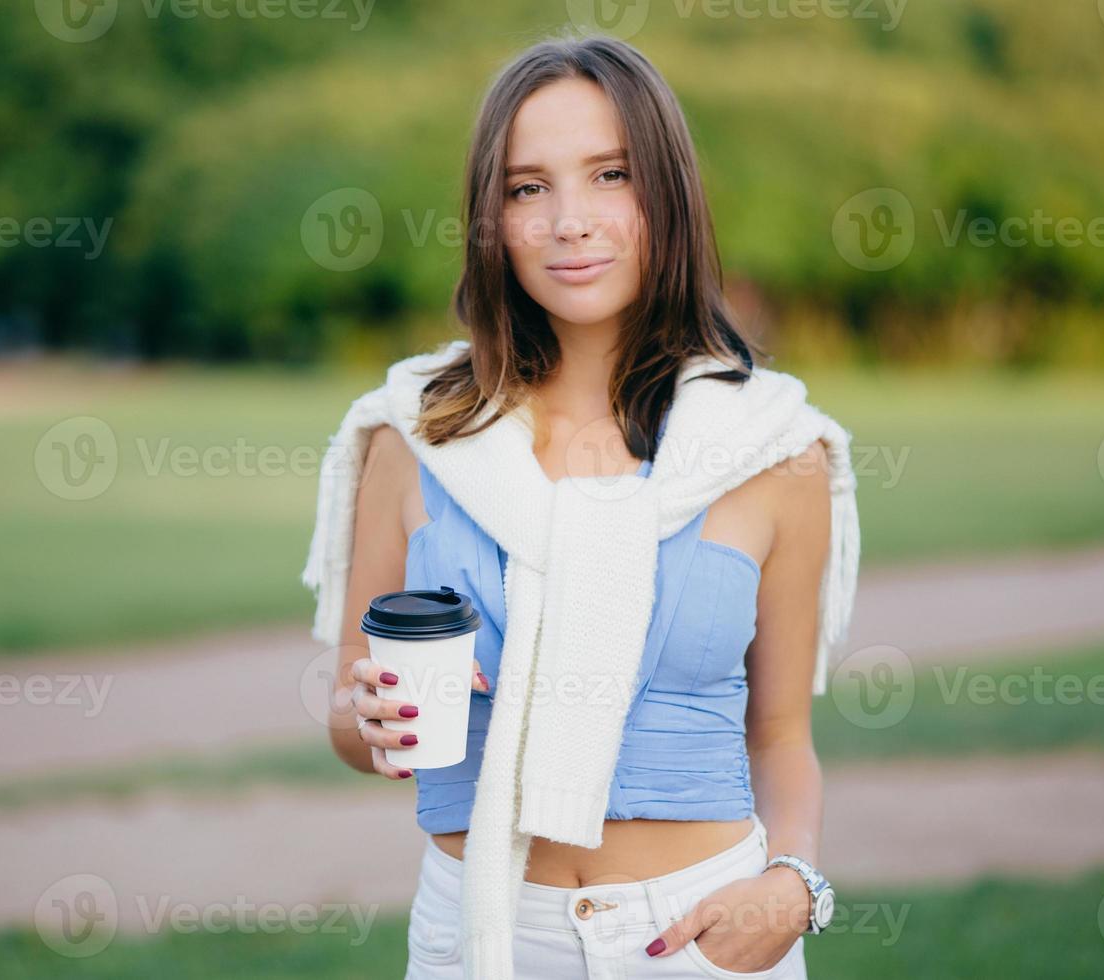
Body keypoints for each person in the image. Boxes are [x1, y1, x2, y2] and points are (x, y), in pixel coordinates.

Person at [307, 31, 858, 980]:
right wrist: (369, 719)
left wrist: (795, 882)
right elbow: (354, 716)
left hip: (695, 940)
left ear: (669, 198)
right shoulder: (414, 437)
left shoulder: (775, 449)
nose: (570, 219)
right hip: (477, 937)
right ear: (492, 216)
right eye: (528, 187)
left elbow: (780, 736)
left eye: (611, 175)